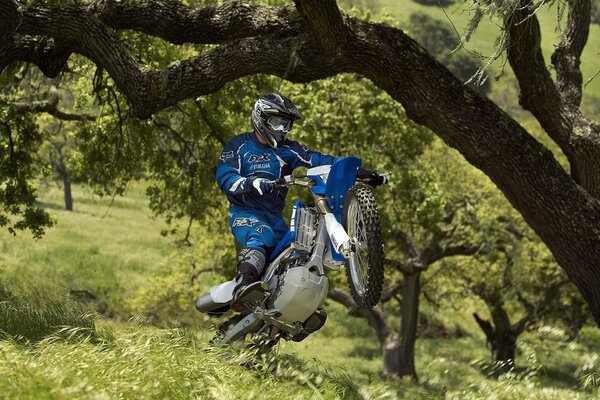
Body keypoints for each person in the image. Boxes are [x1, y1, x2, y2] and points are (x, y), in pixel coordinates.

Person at [216, 93, 386, 311]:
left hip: (275, 218)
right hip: (245, 213)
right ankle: (243, 288)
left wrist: (360, 172)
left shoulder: (288, 149)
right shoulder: (238, 146)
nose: (281, 130)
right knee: (261, 237)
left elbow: (318, 159)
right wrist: (254, 182)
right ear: (261, 118)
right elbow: (225, 177)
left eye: (285, 125)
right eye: (277, 122)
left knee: (296, 252)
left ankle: (290, 310)